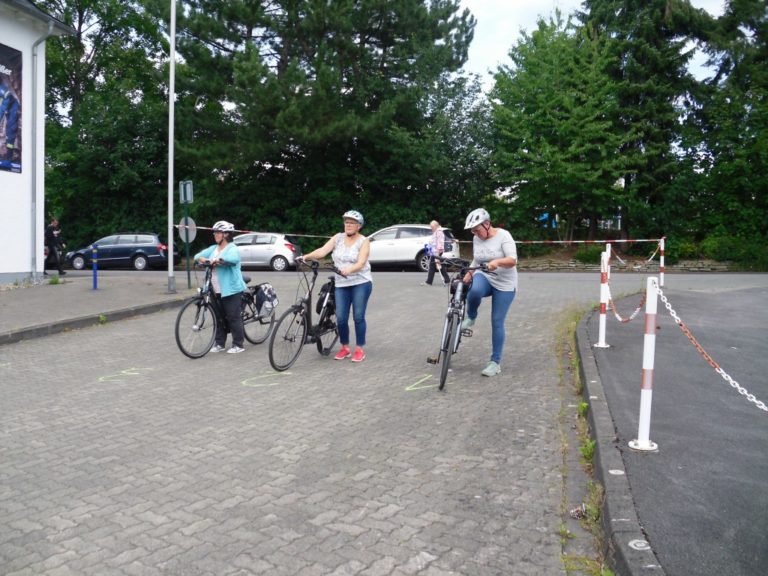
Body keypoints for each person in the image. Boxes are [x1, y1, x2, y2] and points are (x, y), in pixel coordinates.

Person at [301, 210, 372, 363]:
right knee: (340, 318)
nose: (348, 225)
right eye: (346, 222)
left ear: (359, 226)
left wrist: (349, 270)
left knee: (358, 316)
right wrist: (305, 256)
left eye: (352, 223)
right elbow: (322, 251)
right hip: (341, 283)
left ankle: (359, 349)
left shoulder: (363, 241)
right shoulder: (338, 238)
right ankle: (345, 347)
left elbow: (361, 262)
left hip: (361, 282)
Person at [460, 208, 518, 377]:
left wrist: (497, 262)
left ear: (487, 224)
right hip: (485, 276)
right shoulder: (476, 238)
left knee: (497, 321)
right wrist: (470, 273)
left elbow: (512, 260)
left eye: (477, 230)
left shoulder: (504, 236)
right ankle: (471, 317)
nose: (475, 234)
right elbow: (477, 258)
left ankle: (494, 362)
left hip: (505, 283)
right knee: (474, 290)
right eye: (473, 231)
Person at [194, 220, 247, 354]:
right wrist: (204, 260)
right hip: (215, 289)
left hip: (231, 289)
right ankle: (219, 344)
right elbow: (197, 256)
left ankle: (238, 344)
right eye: (215, 233)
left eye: (218, 232)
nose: (215, 235)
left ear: (226, 234)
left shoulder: (232, 248)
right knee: (218, 317)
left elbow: (233, 259)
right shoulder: (213, 249)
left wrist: (220, 260)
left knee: (233, 316)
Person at [422, 220, 450, 286]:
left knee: (432, 265)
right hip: (435, 251)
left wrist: (437, 253)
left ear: (436, 226)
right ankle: (447, 279)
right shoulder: (437, 232)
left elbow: (440, 243)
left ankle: (429, 282)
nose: (431, 228)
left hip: (437, 251)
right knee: (439, 265)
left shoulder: (439, 232)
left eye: (432, 227)